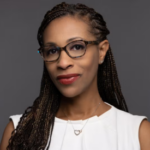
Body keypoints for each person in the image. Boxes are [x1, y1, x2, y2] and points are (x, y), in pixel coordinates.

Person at [0, 2, 150, 150]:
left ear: (102, 51)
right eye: (52, 51)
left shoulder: (139, 134)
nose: (63, 63)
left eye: (77, 47)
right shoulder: (18, 132)